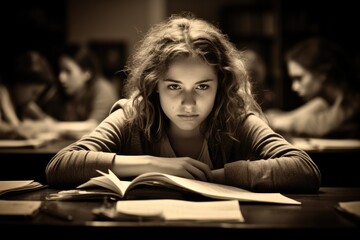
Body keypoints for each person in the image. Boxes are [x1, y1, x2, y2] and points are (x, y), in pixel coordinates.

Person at [46, 13, 321, 193]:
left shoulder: (234, 117)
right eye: (174, 87)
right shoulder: (133, 115)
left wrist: (215, 177)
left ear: (221, 85)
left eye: (202, 86)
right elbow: (61, 165)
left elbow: (304, 169)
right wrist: (153, 165)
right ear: (155, 85)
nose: (188, 103)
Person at [266, 37, 360, 138]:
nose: (294, 87)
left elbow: (322, 126)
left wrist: (276, 122)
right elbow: (293, 116)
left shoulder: (353, 100)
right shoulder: (325, 100)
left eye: (299, 78)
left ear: (322, 74)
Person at [38, 44, 119, 127]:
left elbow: (93, 127)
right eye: (60, 70)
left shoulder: (103, 89)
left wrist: (52, 127)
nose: (61, 77)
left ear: (86, 72)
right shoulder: (68, 92)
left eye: (68, 71)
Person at [0, 50, 55, 139]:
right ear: (19, 82)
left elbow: (50, 123)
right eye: (34, 92)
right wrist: (16, 129)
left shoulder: (25, 105)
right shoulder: (3, 93)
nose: (34, 98)